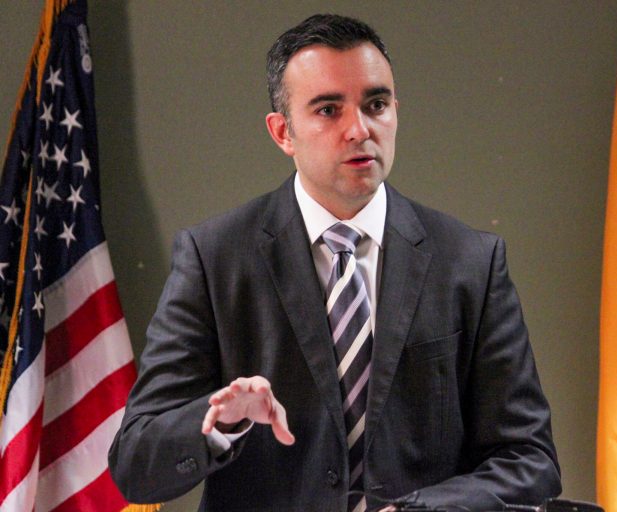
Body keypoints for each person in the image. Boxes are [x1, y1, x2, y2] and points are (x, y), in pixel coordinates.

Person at [108, 14, 561, 512]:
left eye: (376, 104)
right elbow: (135, 466)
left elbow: (529, 461)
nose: (359, 129)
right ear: (283, 132)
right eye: (328, 109)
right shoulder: (214, 257)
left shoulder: (470, 261)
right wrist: (221, 422)